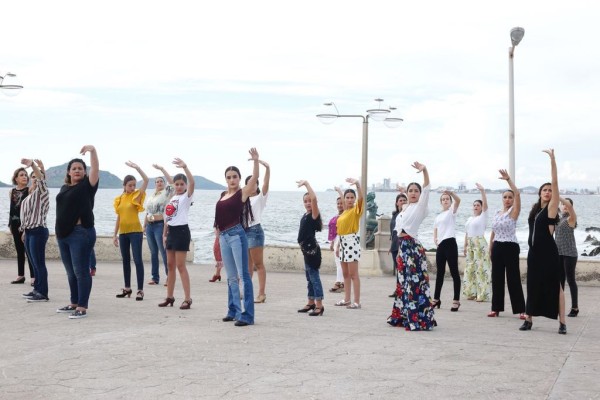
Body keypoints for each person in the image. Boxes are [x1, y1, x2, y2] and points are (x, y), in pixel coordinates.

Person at [520, 149, 567, 334]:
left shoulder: (552, 208)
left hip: (548, 253)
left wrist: (553, 161)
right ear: (540, 193)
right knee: (532, 285)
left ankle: (562, 322)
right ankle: (529, 319)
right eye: (544, 190)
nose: (548, 192)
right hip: (534, 253)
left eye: (550, 190)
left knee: (556, 287)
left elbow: (555, 183)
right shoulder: (535, 210)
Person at [387, 162, 436, 330]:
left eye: (416, 191)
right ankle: (402, 316)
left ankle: (417, 318)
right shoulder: (406, 208)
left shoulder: (421, 207)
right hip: (403, 247)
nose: (413, 193)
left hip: (413, 248)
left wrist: (425, 171)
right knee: (403, 282)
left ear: (420, 194)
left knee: (414, 284)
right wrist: (402, 190)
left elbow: (428, 187)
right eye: (410, 191)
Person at [214, 148, 259, 327]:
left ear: (239, 179)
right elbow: (218, 221)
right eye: (229, 177)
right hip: (224, 237)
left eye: (234, 176)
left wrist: (256, 161)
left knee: (243, 275)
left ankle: (247, 315)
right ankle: (233, 310)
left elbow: (254, 179)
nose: (232, 179)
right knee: (231, 277)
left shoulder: (242, 193)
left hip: (237, 235)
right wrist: (217, 239)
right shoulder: (223, 196)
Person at [55, 145, 99, 319]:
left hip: (81, 233)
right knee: (71, 272)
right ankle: (74, 302)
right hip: (63, 235)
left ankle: (82, 306)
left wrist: (93, 151)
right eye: (74, 168)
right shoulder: (64, 189)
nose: (77, 170)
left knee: (81, 271)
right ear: (69, 172)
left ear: (85, 172)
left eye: (80, 168)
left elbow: (95, 168)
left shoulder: (88, 186)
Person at [488, 170, 526, 319]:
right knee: (496, 278)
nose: (508, 199)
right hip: (497, 246)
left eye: (510, 197)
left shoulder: (514, 212)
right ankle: (495, 309)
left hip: (510, 247)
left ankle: (521, 310)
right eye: (505, 197)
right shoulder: (497, 212)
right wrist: (491, 248)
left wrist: (508, 180)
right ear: (502, 199)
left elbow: (518, 194)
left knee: (513, 279)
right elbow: (493, 231)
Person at [158, 159, 194, 310]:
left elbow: (192, 182)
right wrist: (164, 234)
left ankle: (187, 298)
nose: (179, 186)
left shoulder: (186, 197)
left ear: (185, 186)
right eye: (176, 184)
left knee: (180, 265)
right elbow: (168, 218)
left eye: (181, 184)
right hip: (171, 232)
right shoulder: (173, 197)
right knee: (170, 265)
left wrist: (185, 167)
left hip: (182, 231)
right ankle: (169, 296)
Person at [113, 162, 149, 301]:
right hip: (123, 234)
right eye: (130, 185)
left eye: (134, 185)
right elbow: (119, 217)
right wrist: (114, 234)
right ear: (124, 185)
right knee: (125, 261)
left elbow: (146, 180)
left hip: (135, 232)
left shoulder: (137, 196)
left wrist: (137, 168)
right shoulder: (120, 199)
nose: (133, 187)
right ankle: (127, 288)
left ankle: (140, 290)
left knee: (138, 260)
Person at [20, 159, 50, 302]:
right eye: (32, 177)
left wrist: (33, 165)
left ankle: (43, 293)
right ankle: (37, 289)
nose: (34, 179)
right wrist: (24, 231)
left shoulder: (42, 192)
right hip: (29, 232)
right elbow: (26, 216)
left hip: (38, 230)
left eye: (35, 176)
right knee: (33, 263)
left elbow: (42, 179)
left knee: (39, 263)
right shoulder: (29, 196)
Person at [334, 178, 364, 309]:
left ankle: (356, 301)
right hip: (343, 243)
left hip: (352, 243)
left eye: (352, 197)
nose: (350, 199)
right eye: (347, 197)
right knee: (345, 274)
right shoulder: (345, 212)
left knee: (353, 274)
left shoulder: (355, 211)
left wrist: (358, 185)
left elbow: (361, 199)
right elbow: (340, 231)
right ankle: (346, 299)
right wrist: (338, 245)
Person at [296, 180, 324, 316]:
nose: (308, 203)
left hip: (312, 252)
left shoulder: (314, 215)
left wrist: (306, 184)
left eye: (309, 201)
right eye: (305, 201)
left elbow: (314, 199)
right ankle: (311, 301)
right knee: (309, 277)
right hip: (306, 251)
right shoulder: (305, 215)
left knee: (314, 277)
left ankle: (319, 304)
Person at [143, 165, 174, 285]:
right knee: (153, 253)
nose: (159, 183)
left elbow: (172, 182)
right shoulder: (151, 196)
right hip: (150, 225)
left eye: (161, 181)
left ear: (164, 183)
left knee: (163, 251)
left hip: (160, 225)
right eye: (157, 182)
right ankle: (155, 278)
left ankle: (169, 277)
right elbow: (147, 212)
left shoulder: (166, 192)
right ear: (155, 184)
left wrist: (162, 170)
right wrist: (144, 226)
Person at [432, 190, 462, 311]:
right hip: (441, 246)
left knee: (454, 272)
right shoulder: (438, 216)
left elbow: (458, 200)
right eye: (443, 199)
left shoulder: (451, 212)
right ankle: (436, 299)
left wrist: (451, 193)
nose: (445, 200)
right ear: (441, 202)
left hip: (450, 243)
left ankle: (456, 300)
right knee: (440, 273)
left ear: (450, 201)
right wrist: (435, 238)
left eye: (447, 199)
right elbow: (435, 228)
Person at [245, 160, 270, 303]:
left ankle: (261, 294)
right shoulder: (243, 199)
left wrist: (267, 168)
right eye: (249, 183)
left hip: (255, 231)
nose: (252, 185)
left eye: (254, 183)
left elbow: (266, 185)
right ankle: (248, 291)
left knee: (258, 264)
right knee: (247, 265)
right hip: (244, 231)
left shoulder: (260, 198)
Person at [462, 183, 492, 302]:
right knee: (470, 269)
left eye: (478, 205)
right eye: (474, 205)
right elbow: (467, 232)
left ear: (481, 207)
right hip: (470, 243)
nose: (475, 207)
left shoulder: (483, 216)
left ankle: (482, 294)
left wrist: (482, 191)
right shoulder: (470, 219)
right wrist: (465, 245)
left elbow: (485, 205)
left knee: (481, 269)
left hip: (480, 243)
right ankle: (471, 292)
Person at [9, 166, 33, 284]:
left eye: (25, 175)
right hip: (14, 224)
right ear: (16, 178)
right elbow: (12, 209)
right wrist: (10, 224)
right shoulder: (11, 191)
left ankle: (33, 277)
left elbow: (30, 210)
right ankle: (21, 276)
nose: (24, 177)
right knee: (19, 251)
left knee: (29, 251)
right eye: (22, 175)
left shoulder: (29, 190)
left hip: (26, 225)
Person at [556, 197, 579, 317]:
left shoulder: (571, 219)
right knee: (560, 281)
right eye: (562, 204)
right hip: (558, 253)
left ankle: (575, 307)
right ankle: (559, 305)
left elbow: (569, 207)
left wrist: (559, 195)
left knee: (570, 280)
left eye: (567, 204)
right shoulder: (558, 219)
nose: (564, 206)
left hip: (570, 254)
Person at [388, 192, 408, 297]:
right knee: (398, 269)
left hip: (404, 244)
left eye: (405, 200)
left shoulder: (408, 214)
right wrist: (391, 245)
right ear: (397, 203)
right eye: (401, 200)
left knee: (404, 269)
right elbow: (392, 231)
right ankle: (399, 289)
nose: (403, 202)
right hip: (395, 245)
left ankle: (404, 290)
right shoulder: (395, 215)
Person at [327, 194, 344, 293]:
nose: (339, 205)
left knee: (340, 263)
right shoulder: (337, 216)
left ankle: (338, 282)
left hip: (341, 241)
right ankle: (341, 283)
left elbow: (342, 231)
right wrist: (332, 243)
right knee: (338, 263)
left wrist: (337, 245)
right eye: (338, 203)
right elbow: (335, 231)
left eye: (341, 203)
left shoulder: (344, 216)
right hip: (336, 240)